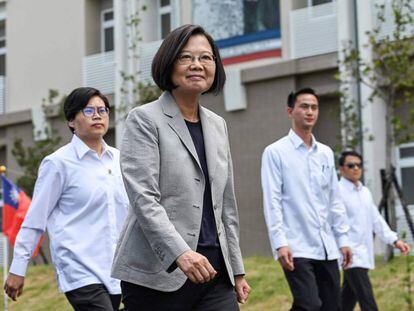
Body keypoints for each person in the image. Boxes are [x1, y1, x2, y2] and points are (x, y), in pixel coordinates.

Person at [111, 24, 250, 310]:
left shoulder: (218, 125)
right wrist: (180, 253)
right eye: (186, 57)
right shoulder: (144, 120)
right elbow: (143, 199)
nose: (197, 65)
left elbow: (226, 205)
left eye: (206, 58)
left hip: (214, 271)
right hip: (158, 274)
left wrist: (236, 269)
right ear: (168, 63)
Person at [4, 87, 129, 311]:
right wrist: (18, 268)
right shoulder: (58, 163)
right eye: (89, 110)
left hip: (119, 269)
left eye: (103, 110)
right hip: (79, 269)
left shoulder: (121, 160)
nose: (98, 115)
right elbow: (35, 219)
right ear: (72, 120)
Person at [261, 87, 352, 311]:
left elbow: (334, 200)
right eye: (304, 106)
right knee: (309, 304)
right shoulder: (275, 152)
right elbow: (272, 200)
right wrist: (280, 243)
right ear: (290, 111)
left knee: (332, 307)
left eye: (314, 107)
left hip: (326, 246)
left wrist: (343, 239)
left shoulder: (326, 153)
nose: (310, 111)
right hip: (296, 246)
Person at [338, 150, 411, 311]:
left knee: (346, 301)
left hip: (364, 254)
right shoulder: (337, 192)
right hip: (349, 255)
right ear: (342, 169)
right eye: (351, 165)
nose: (356, 168)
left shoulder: (364, 192)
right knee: (367, 301)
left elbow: (376, 220)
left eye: (359, 165)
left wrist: (394, 240)